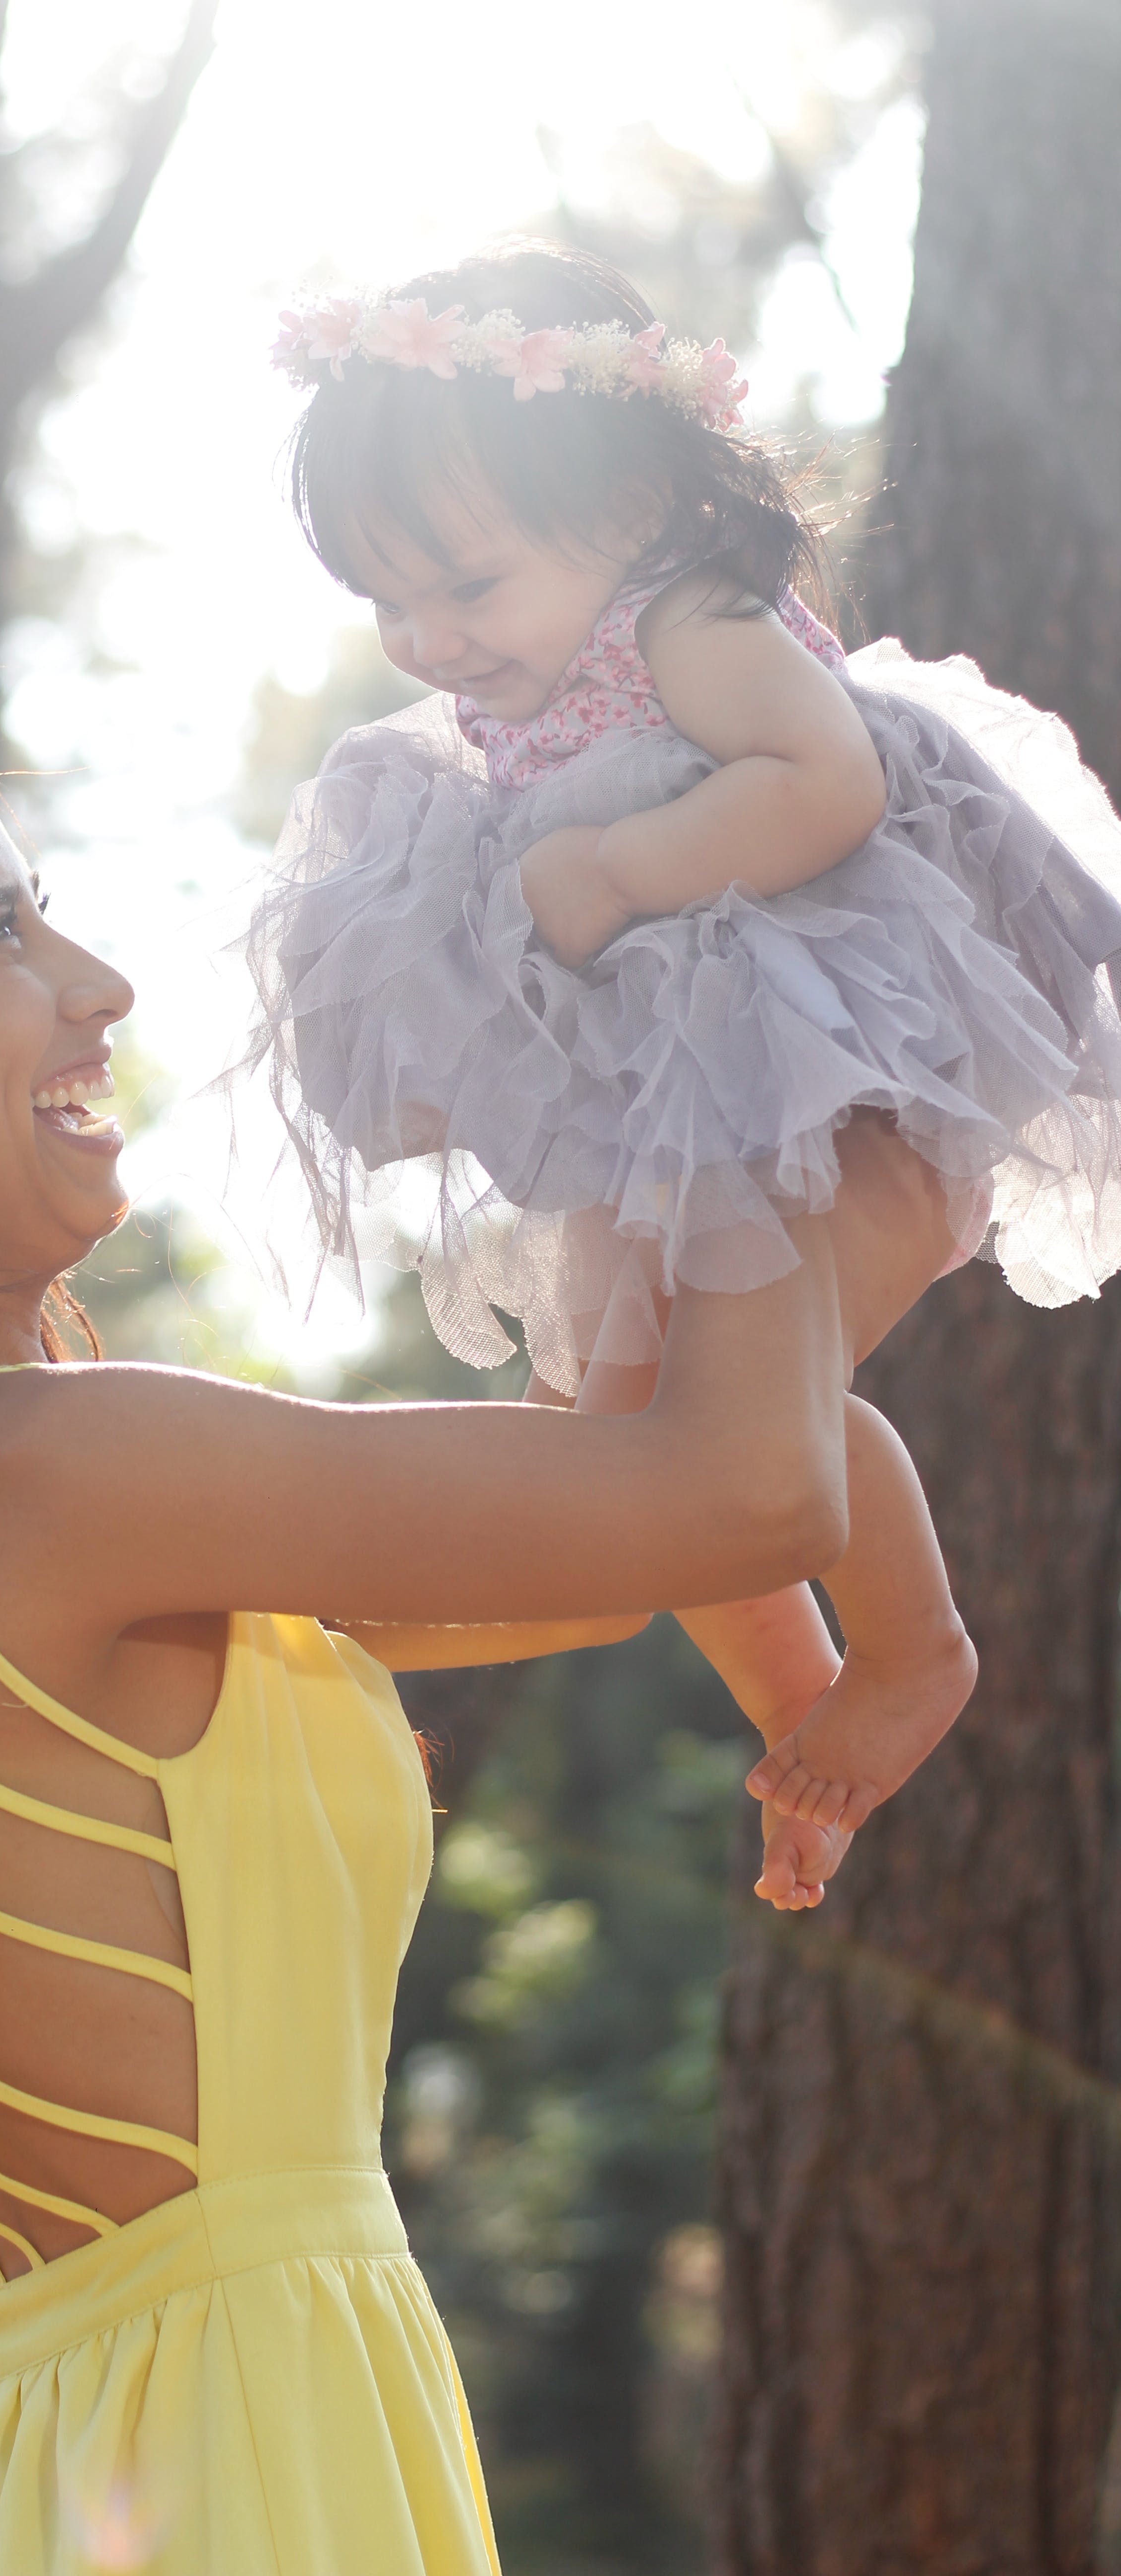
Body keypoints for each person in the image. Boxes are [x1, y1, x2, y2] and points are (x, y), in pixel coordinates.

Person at [0, 680, 949, 2574]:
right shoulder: (33, 1475)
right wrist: (748, 1040)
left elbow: (628, 1535)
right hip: (229, 2463)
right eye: (1, 938)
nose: (98, 984)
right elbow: (740, 1499)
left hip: (107, 2448)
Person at [252, 239, 1121, 1873]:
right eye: (392, 600)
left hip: (806, 1071)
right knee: (644, 1472)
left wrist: (618, 872)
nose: (431, 639)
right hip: (673, 1110)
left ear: (633, 512)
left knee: (722, 1440)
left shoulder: (692, 618)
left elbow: (829, 780)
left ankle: (918, 1647)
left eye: (469, 583)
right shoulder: (528, 668)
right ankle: (808, 1726)